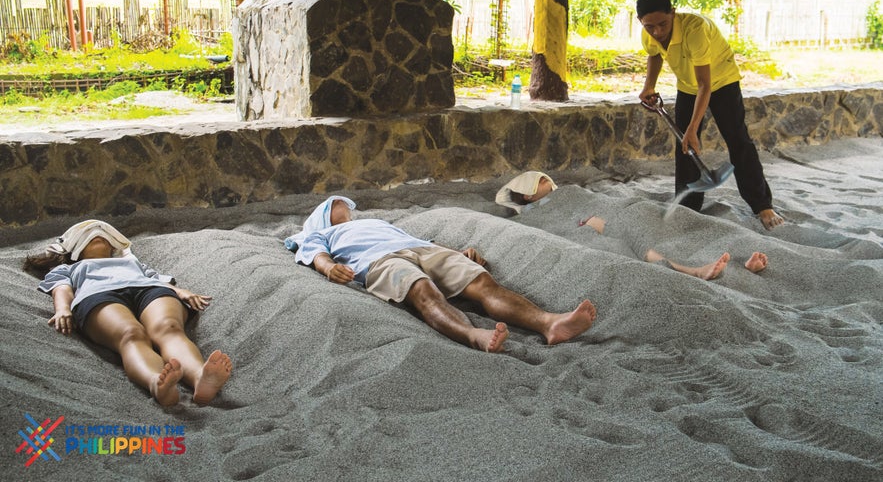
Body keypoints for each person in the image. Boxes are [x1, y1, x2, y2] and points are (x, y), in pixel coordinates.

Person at [284, 196, 597, 353]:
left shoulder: (376, 222)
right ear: (324, 217)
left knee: (483, 282)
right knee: (423, 290)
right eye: (337, 206)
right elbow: (315, 254)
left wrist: (457, 252)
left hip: (420, 249)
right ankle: (473, 334)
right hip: (378, 261)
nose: (346, 208)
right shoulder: (321, 233)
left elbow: (419, 243)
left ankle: (549, 323)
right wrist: (329, 267)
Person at [24, 219, 232, 407]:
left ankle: (200, 378)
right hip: (98, 294)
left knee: (169, 328)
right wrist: (62, 309)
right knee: (131, 333)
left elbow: (157, 279)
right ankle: (156, 383)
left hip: (147, 288)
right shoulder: (70, 268)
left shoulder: (133, 262)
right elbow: (62, 288)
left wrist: (181, 292)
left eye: (104, 236)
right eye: (89, 236)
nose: (98, 236)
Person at [635, 0, 785, 231]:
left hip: (721, 81)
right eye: (649, 26)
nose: (657, 32)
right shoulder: (649, 32)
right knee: (684, 146)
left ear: (673, 12)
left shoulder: (696, 31)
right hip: (687, 85)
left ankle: (762, 205)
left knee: (737, 140)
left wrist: (693, 128)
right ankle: (688, 207)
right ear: (641, 21)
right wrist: (648, 86)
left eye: (662, 24)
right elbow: (655, 56)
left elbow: (705, 84)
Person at [496, 171, 768, 280]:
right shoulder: (533, 215)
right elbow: (561, 226)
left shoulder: (568, 191)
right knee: (643, 243)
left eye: (547, 178)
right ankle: (696, 271)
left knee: (686, 224)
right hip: (616, 223)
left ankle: (739, 258)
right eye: (541, 182)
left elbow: (594, 199)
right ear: (529, 195)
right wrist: (588, 224)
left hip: (633, 208)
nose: (548, 181)